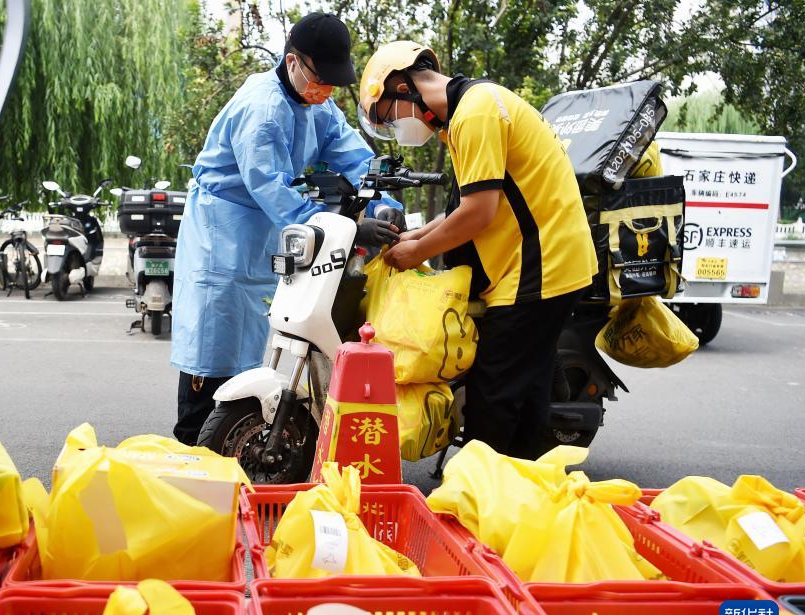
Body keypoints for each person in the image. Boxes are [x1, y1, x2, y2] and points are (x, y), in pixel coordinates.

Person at [171, 12, 405, 445]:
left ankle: (235, 442)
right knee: (213, 345)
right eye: (320, 80)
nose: (325, 91)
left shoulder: (316, 103)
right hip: (222, 230)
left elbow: (351, 153)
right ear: (293, 61)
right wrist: (354, 229)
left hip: (262, 226)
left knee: (252, 345)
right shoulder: (262, 109)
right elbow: (272, 188)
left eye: (333, 84)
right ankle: (192, 443)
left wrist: (385, 200)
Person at [358, 41, 597, 459]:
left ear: (401, 88)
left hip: (540, 266)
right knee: (526, 390)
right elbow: (466, 205)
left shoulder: (477, 113)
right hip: (543, 263)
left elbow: (478, 214)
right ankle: (519, 490)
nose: (397, 129)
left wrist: (416, 254)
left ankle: (477, 499)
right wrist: (416, 237)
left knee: (495, 394)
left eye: (389, 119)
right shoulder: (468, 112)